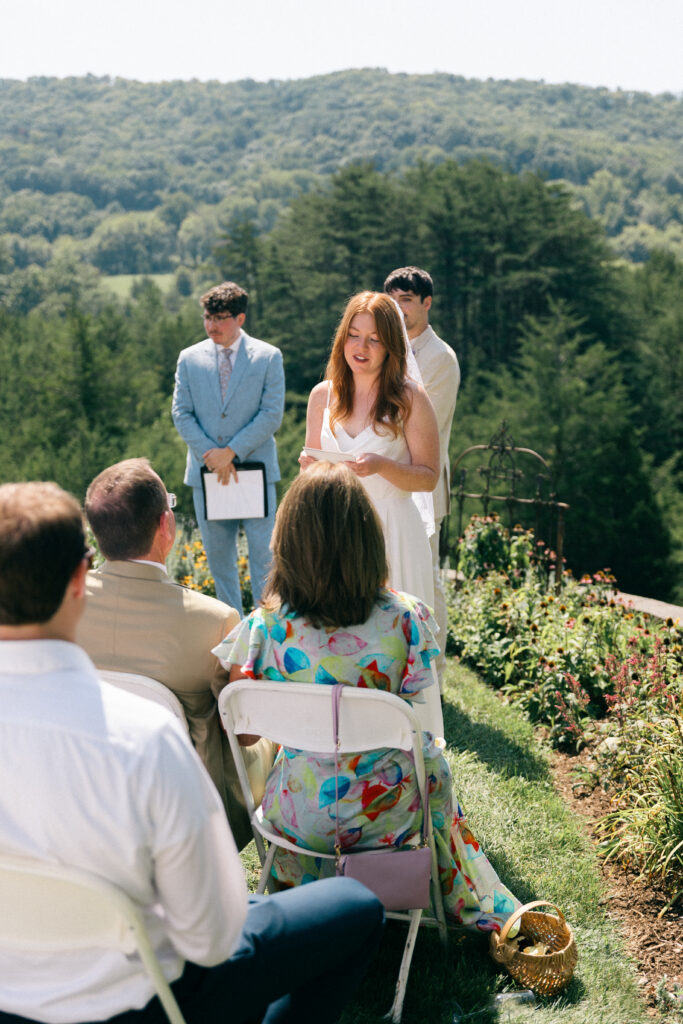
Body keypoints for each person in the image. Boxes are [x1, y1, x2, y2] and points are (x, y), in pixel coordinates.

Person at [0, 480, 384, 1024]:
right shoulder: (143, 738)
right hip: (137, 1001)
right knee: (355, 907)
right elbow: (209, 940)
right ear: (78, 581)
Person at [214, 463, 520, 933]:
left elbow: (246, 729)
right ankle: (425, 889)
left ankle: (308, 886)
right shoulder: (405, 619)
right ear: (367, 540)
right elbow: (412, 706)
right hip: (391, 819)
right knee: (432, 761)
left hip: (300, 819)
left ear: (290, 543)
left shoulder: (264, 630)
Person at [76, 457, 274, 850]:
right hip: (190, 810)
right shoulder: (215, 619)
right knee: (276, 736)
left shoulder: (63, 608)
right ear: (165, 525)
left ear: (95, 531)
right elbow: (246, 733)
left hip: (90, 791)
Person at [301, 290, 443, 734]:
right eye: (353, 336)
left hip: (392, 533)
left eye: (374, 340)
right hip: (336, 534)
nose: (360, 349)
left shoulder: (409, 398)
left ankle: (411, 749)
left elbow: (428, 476)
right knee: (339, 646)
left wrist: (382, 466)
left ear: (391, 346)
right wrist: (310, 467)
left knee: (393, 652)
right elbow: (311, 465)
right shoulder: (322, 396)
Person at [172, 281, 285, 616]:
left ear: (241, 318)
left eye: (220, 318)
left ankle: (267, 632)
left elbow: (271, 414)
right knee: (220, 562)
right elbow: (181, 412)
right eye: (208, 317)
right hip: (207, 474)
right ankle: (231, 637)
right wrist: (212, 454)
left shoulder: (268, 357)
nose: (212, 325)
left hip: (255, 472)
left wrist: (231, 452)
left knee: (264, 560)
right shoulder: (189, 359)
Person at [385, 267, 461, 688]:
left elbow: (418, 422)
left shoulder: (440, 358)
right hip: (383, 478)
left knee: (425, 576)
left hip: (422, 483)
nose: (399, 309)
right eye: (393, 300)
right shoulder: (385, 347)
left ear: (427, 303)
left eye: (407, 301)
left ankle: (434, 673)